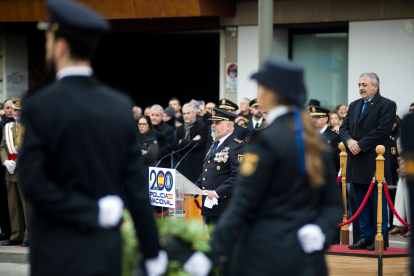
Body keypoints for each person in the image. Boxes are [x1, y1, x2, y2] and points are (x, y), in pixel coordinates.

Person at [19, 1, 167, 275]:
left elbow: (32, 182)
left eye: (49, 39)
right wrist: (152, 251)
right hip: (103, 250)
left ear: (60, 46)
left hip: (55, 251)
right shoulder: (119, 105)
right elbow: (136, 188)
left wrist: (90, 211)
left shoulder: (39, 105)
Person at [206, 59, 342, 276]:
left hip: (265, 257)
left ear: (270, 93)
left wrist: (210, 254)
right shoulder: (315, 141)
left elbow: (242, 205)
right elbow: (334, 206)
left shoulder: (265, 142)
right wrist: (320, 230)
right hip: (307, 262)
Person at [340, 72, 395, 251]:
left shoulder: (386, 104)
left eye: (364, 85)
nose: (361, 88)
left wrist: (361, 145)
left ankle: (380, 238)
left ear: (375, 86)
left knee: (377, 202)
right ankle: (365, 237)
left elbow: (382, 130)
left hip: (374, 161)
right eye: (359, 85)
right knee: (361, 202)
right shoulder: (355, 105)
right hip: (356, 161)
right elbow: (344, 127)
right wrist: (349, 142)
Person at [194, 108, 244, 225]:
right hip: (209, 205)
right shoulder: (215, 144)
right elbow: (207, 170)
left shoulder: (237, 146)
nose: (213, 126)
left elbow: (238, 176)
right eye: (212, 122)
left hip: (224, 206)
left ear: (228, 126)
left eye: (217, 123)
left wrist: (217, 192)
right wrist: (193, 189)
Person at [0, 100, 30, 247]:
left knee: (27, 206)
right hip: (10, 171)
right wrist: (5, 162)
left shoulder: (29, 126)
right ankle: (16, 235)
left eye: (19, 110)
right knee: (13, 206)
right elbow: (2, 146)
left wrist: (16, 163)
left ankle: (30, 236)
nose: (16, 112)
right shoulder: (8, 126)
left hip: (24, 170)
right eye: (14, 110)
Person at [175, 103, 208, 182]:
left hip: (196, 165)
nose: (186, 116)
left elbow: (199, 144)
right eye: (184, 114)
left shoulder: (202, 126)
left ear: (194, 113)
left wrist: (181, 141)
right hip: (182, 164)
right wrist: (192, 141)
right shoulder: (180, 129)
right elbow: (175, 145)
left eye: (188, 113)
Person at [309, 106, 341, 172]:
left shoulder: (335, 136)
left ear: (325, 119)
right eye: (313, 117)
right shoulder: (310, 135)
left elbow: (338, 160)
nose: (314, 120)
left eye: (317, 117)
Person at [0, 99, 13, 241]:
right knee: (4, 202)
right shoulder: (1, 125)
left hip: (18, 168)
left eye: (12, 107)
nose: (10, 110)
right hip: (3, 169)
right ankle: (6, 230)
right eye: (7, 107)